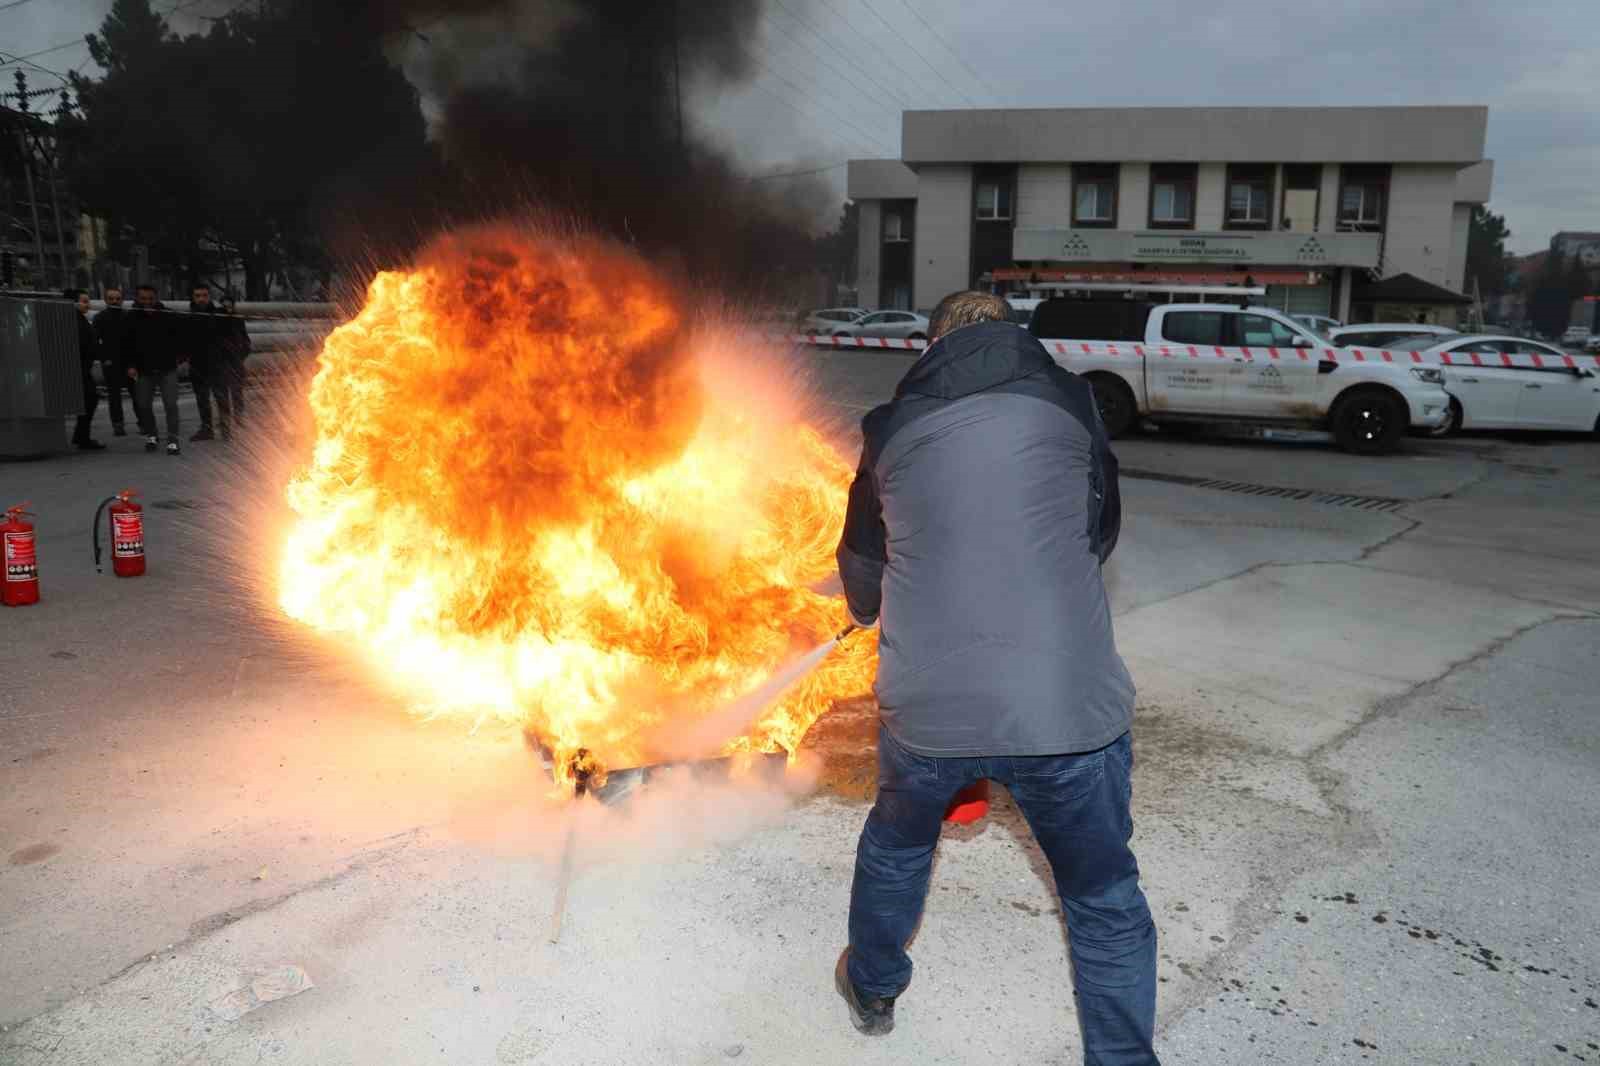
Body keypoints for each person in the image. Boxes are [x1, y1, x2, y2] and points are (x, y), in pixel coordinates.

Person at [833, 291, 1158, 1063]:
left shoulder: (890, 430)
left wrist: (877, 602)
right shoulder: (1072, 403)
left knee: (899, 843)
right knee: (1103, 899)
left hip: (932, 709)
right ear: (1012, 332)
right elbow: (1098, 532)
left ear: (933, 344)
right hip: (1064, 711)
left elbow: (862, 572)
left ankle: (874, 987)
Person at [123, 283, 182, 455]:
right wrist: (130, 365)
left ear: (156, 298)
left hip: (167, 368)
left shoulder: (168, 315)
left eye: (150, 298)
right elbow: (125, 344)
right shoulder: (131, 318)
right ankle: (152, 435)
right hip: (143, 370)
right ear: (137, 298)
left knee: (171, 404)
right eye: (143, 299)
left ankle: (173, 440)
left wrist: (180, 355)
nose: (147, 302)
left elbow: (180, 336)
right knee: (143, 405)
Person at [184, 283, 225, 442]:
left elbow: (232, 337)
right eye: (198, 296)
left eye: (204, 295)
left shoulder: (219, 315)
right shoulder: (189, 318)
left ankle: (226, 429)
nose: (201, 299)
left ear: (209, 297)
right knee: (202, 399)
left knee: (221, 398)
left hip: (218, 365)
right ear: (193, 298)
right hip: (197, 365)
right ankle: (206, 429)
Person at [93, 286, 132, 437]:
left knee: (136, 394)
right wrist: (104, 359)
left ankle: (143, 423)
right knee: (114, 396)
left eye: (117, 298)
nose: (114, 301)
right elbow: (95, 342)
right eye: (111, 299)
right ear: (105, 300)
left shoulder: (128, 316)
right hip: (111, 362)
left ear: (121, 300)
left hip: (129, 362)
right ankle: (118, 425)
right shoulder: (100, 318)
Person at [70, 291, 107, 451]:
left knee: (89, 400)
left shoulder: (78, 319)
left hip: (83, 368)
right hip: (79, 369)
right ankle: (82, 437)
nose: (88, 305)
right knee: (89, 400)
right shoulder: (74, 321)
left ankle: (81, 436)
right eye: (84, 301)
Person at [214, 295, 250, 438]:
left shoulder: (238, 320)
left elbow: (245, 339)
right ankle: (225, 427)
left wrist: (242, 353)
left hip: (236, 362)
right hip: (220, 364)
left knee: (237, 393)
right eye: (225, 306)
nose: (228, 308)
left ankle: (238, 418)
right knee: (222, 397)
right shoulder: (215, 320)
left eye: (230, 306)